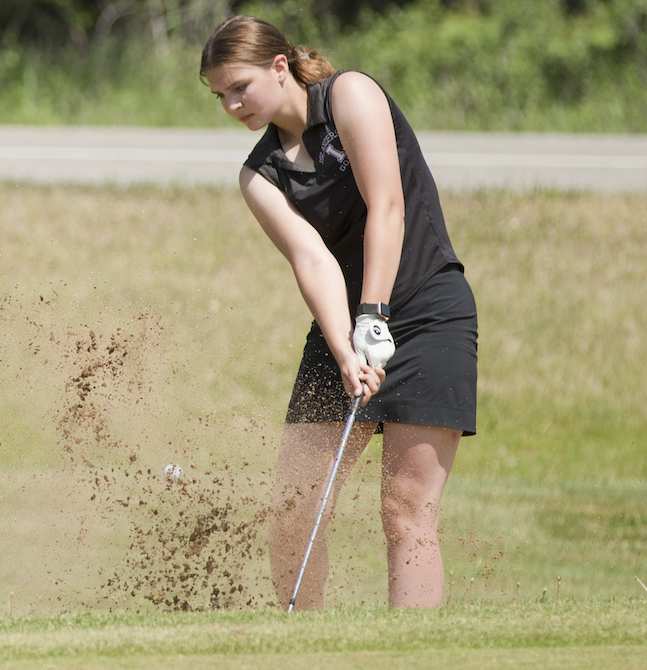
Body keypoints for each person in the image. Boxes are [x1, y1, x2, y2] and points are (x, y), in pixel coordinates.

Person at [200, 15, 478, 609]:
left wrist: (373, 314)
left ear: (280, 67)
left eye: (238, 86)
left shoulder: (350, 94)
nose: (230, 104)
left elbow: (388, 206)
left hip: (428, 313)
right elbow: (314, 262)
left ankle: (411, 654)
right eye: (219, 94)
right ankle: (306, 647)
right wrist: (345, 347)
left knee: (406, 511)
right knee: (295, 511)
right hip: (345, 329)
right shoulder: (259, 175)